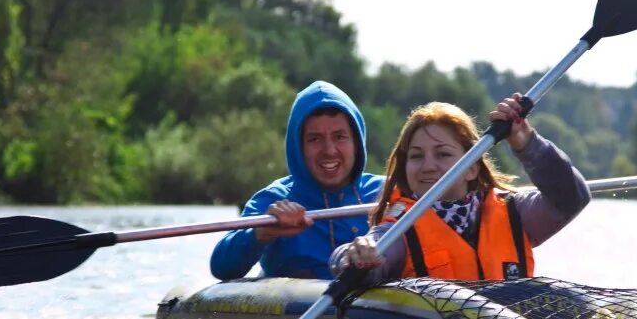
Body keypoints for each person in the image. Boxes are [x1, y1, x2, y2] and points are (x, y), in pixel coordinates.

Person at [329, 94, 590, 282]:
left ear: (472, 168)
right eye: (417, 156)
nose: (427, 166)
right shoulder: (399, 227)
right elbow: (370, 250)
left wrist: (527, 143)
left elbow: (572, 197)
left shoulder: (515, 213)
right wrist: (354, 255)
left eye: (442, 154)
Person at [209, 80, 383, 280]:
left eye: (339, 137)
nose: (329, 150)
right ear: (297, 148)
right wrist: (261, 233)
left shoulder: (388, 192)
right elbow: (221, 267)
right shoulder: (274, 199)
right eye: (314, 139)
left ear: (356, 143)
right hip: (301, 308)